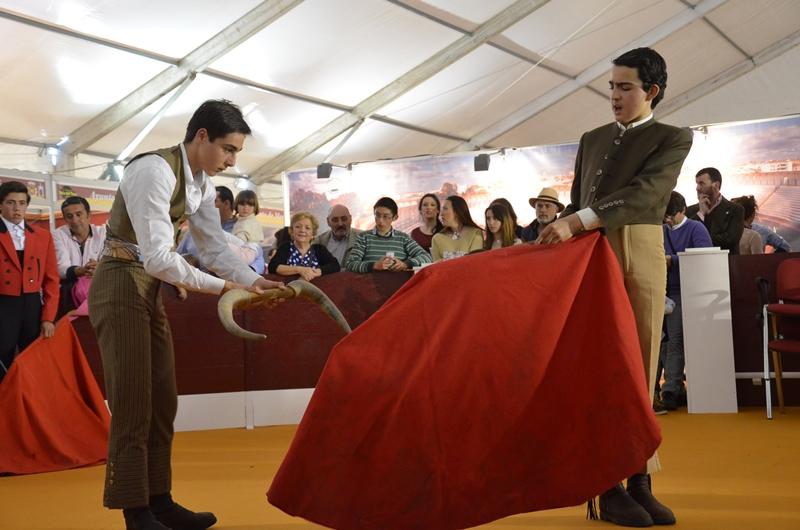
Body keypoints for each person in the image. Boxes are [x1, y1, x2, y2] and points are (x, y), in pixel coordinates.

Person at [88, 99, 284, 530]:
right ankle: (135, 512)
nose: (232, 161)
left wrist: (252, 281)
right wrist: (224, 286)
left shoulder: (199, 183)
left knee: (163, 399)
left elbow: (214, 247)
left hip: (147, 286)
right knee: (134, 400)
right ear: (200, 137)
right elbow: (159, 257)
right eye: (228, 150)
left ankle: (159, 501)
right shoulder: (152, 170)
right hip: (121, 282)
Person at [537, 47, 693, 527]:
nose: (615, 96)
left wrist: (578, 220)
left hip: (641, 248)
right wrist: (565, 227)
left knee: (642, 365)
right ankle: (606, 486)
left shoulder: (674, 137)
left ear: (652, 91)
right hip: (591, 252)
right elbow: (579, 198)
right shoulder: (592, 138)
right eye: (612, 86)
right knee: (600, 364)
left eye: (625, 87)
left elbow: (648, 193)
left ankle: (640, 480)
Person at [657, 191, 712, 412]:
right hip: (665, 292)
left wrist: (674, 260)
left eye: (671, 215)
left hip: (687, 292)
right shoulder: (662, 230)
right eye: (665, 216)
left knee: (675, 341)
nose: (667, 220)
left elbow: (705, 256)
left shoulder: (696, 228)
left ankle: (669, 390)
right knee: (666, 342)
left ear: (682, 211)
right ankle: (674, 388)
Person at [0, 181, 59, 382]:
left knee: (33, 361)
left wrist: (48, 317)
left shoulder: (43, 236)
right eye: (10, 203)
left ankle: (27, 408)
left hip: (32, 306)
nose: (17, 208)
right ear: (0, 205)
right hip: (3, 305)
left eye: (22, 203)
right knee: (2, 360)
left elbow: (51, 280)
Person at [345, 197, 431, 273]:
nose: (380, 220)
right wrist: (373, 266)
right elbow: (350, 264)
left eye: (385, 216)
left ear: (395, 217)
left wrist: (405, 264)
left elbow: (427, 257)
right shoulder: (364, 237)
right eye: (377, 215)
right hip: (370, 287)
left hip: (399, 287)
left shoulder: (403, 238)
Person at [53, 195, 107, 308]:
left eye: (79, 214)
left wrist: (99, 267)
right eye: (69, 216)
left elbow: (108, 261)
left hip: (99, 292)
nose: (75, 220)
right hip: (68, 295)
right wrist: (82, 270)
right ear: (64, 219)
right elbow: (61, 269)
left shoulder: (103, 233)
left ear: (88, 215)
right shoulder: (58, 235)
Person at [685, 167, 744, 254]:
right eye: (697, 183)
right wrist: (701, 214)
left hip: (726, 264)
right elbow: (686, 237)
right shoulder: (691, 211)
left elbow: (730, 241)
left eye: (701, 183)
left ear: (716, 185)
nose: (697, 188)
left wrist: (700, 239)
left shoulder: (735, 210)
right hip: (697, 263)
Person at [268, 212, 340, 281]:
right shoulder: (285, 247)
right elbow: (272, 267)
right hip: (289, 290)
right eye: (298, 227)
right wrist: (299, 270)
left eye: (307, 228)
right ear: (291, 231)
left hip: (315, 290)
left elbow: (335, 266)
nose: (302, 230)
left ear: (313, 233)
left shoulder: (319, 249)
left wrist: (317, 272)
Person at [430, 195, 484, 261]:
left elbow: (475, 262)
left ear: (457, 212)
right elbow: (436, 268)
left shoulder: (475, 233)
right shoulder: (437, 238)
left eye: (445, 209)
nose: (441, 214)